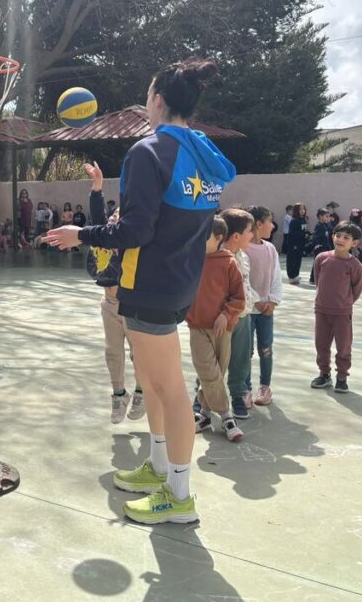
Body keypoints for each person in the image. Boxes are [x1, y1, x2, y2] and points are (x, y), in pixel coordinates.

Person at [44, 57, 236, 525]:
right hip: (177, 281)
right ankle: (157, 465)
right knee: (152, 383)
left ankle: (179, 494)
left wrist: (81, 234)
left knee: (169, 389)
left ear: (157, 100)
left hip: (149, 283)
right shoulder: (202, 154)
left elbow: (135, 230)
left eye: (148, 95)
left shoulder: (148, 153)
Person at [84, 161, 144, 424]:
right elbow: (96, 218)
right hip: (108, 302)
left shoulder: (133, 244)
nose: (112, 217)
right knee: (112, 352)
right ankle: (119, 395)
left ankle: (142, 391)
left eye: (118, 215)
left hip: (132, 304)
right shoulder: (105, 236)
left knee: (138, 352)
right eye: (113, 214)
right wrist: (97, 187)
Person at [187, 217, 245, 442]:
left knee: (217, 374)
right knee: (208, 372)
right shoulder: (191, 260)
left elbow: (239, 297)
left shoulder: (229, 263)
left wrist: (226, 314)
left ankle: (203, 414)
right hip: (197, 325)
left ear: (219, 238)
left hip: (222, 328)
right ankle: (227, 416)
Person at [310, 221, 362, 393]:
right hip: (322, 309)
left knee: (343, 345)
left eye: (346, 237)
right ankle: (324, 373)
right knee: (321, 344)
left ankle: (341, 376)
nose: (340, 239)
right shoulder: (322, 258)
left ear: (354, 243)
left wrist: (344, 303)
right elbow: (318, 279)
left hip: (342, 312)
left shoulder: (355, 266)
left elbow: (356, 290)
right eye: (338, 235)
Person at [222, 208, 258, 419]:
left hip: (243, 316)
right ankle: (203, 399)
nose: (252, 235)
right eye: (249, 231)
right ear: (236, 236)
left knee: (241, 360)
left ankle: (237, 396)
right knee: (214, 362)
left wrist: (257, 298)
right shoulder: (216, 258)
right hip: (222, 319)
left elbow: (245, 285)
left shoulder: (243, 256)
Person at [246, 205, 283, 407]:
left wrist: (273, 301)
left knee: (265, 348)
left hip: (266, 311)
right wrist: (256, 301)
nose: (272, 225)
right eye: (270, 221)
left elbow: (276, 277)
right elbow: (242, 280)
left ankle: (265, 386)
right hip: (247, 310)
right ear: (258, 224)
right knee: (246, 351)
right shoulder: (242, 249)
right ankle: (245, 389)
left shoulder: (270, 249)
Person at [307, 207, 333, 286]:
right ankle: (313, 278)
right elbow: (316, 236)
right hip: (320, 248)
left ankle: (320, 277)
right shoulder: (319, 226)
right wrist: (317, 244)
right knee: (317, 263)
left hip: (325, 247)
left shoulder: (325, 225)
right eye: (326, 216)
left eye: (329, 216)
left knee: (324, 263)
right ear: (321, 216)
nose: (328, 218)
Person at [285, 203, 308, 284]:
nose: (302, 211)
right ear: (296, 211)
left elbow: (303, 230)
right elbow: (293, 234)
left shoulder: (304, 220)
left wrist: (308, 234)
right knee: (292, 260)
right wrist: (303, 234)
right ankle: (291, 276)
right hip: (294, 244)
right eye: (300, 209)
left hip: (301, 244)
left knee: (298, 260)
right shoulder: (294, 221)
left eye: (303, 209)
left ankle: (296, 275)